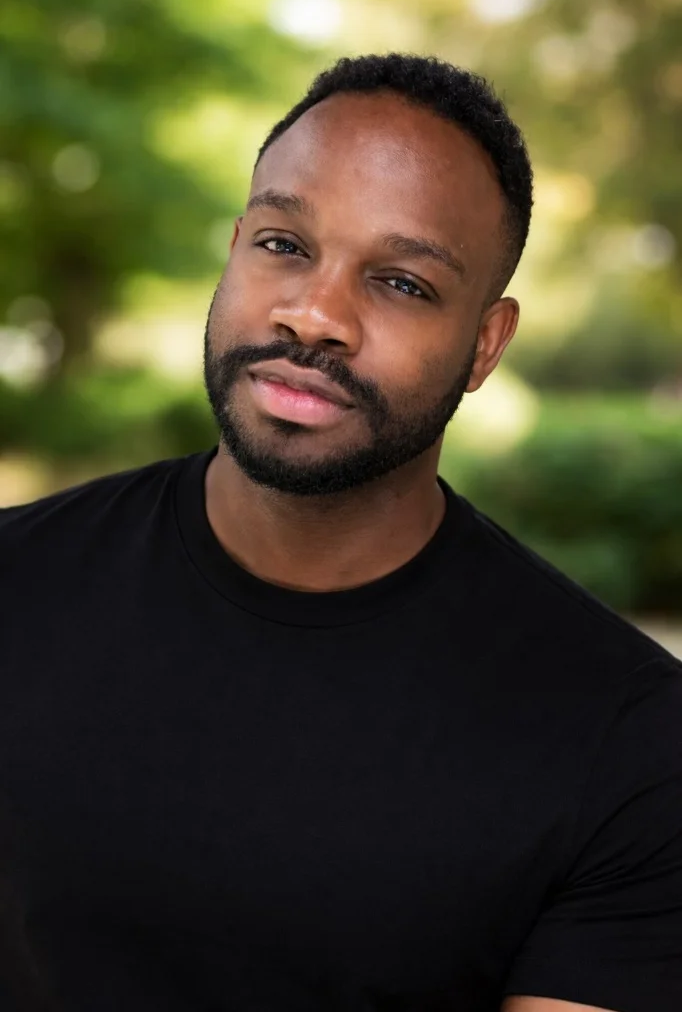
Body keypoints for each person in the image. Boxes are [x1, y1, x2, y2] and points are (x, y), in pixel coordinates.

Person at [0, 52, 680, 1012]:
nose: (315, 316)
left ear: (486, 344)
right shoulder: (16, 585)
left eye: (401, 283)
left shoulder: (629, 740)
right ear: (235, 246)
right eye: (283, 243)